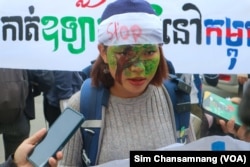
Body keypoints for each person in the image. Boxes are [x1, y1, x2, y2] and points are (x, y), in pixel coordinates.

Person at [60, 0, 196, 166]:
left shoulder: (176, 97)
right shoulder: (79, 105)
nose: (138, 68)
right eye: (124, 53)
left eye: (149, 52)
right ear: (103, 52)